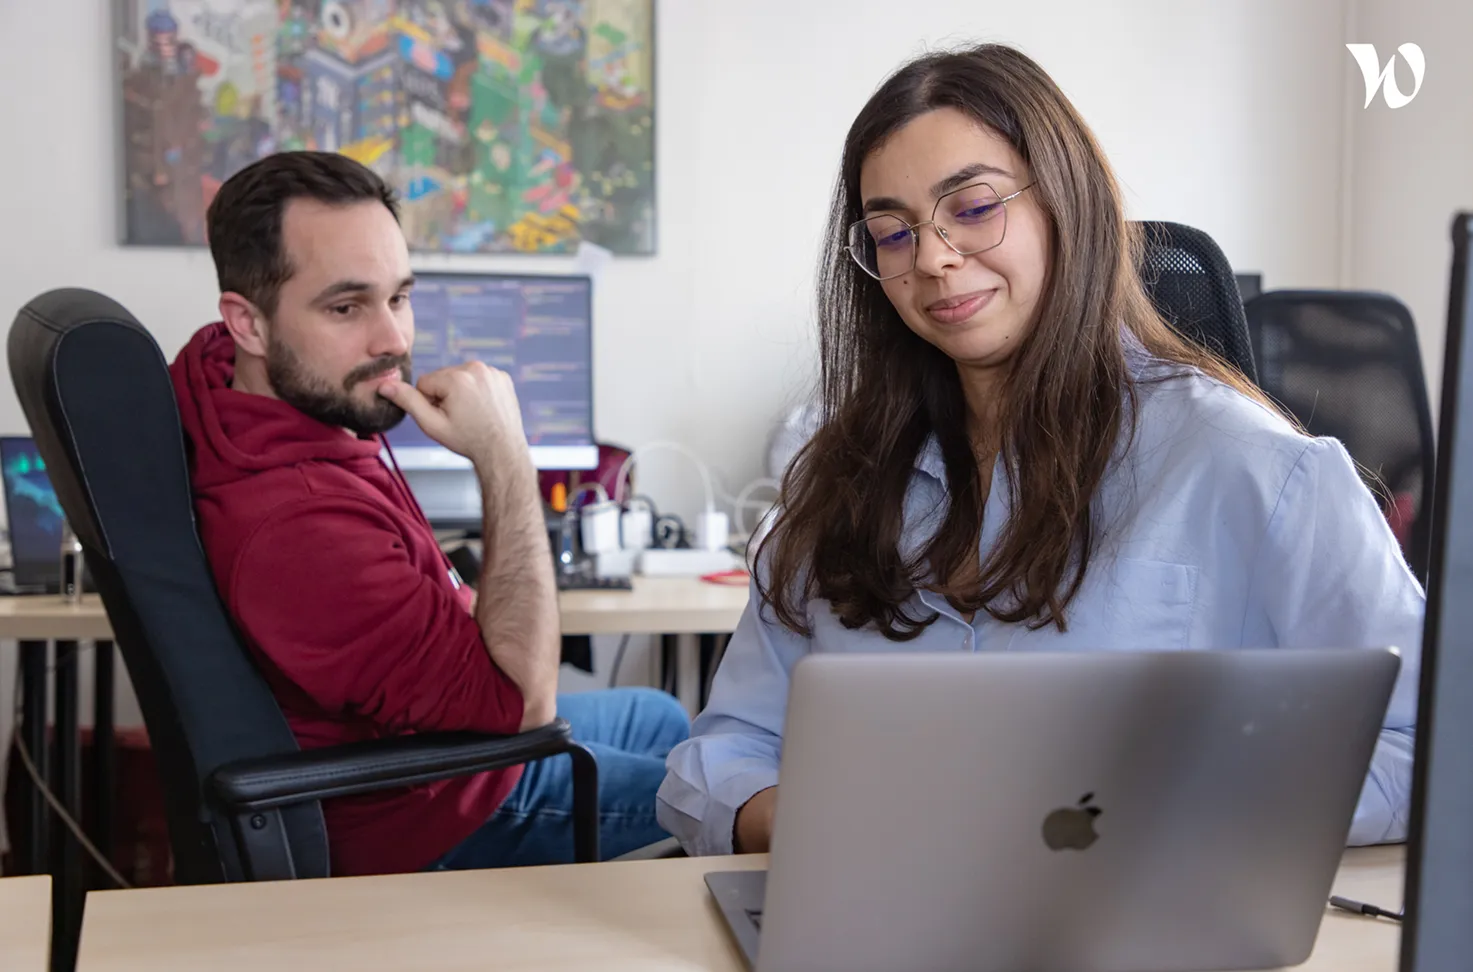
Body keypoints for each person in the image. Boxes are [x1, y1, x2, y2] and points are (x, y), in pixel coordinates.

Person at [655, 43, 1423, 857]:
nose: (934, 258)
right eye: (891, 231)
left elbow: (1427, 746)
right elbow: (718, 755)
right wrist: (808, 824)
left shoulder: (1254, 469)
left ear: (1067, 202)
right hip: (875, 916)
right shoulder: (840, 484)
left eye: (974, 206)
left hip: (1135, 923)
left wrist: (1183, 816)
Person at [169, 151, 689, 876]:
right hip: (422, 808)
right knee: (734, 806)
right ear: (247, 323)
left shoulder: (229, 380)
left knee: (664, 718)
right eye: (345, 307)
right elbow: (523, 707)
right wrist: (506, 455)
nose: (394, 341)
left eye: (399, 297)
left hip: (412, 747)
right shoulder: (300, 525)